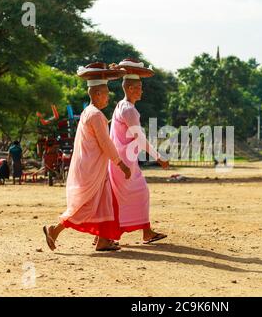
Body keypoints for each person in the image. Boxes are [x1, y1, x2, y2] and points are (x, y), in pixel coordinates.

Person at [43, 62, 131, 252]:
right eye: (106, 93)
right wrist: (121, 164)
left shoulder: (87, 112)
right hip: (93, 170)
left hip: (92, 168)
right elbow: (106, 144)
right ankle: (55, 230)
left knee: (104, 203)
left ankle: (103, 240)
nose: (108, 97)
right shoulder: (96, 116)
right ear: (97, 94)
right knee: (87, 206)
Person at [109, 58, 169, 244]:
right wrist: (158, 157)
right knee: (140, 193)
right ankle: (146, 233)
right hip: (124, 162)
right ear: (130, 89)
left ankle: (105, 235)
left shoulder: (121, 106)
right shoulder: (130, 111)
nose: (142, 91)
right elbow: (140, 139)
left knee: (119, 198)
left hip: (119, 160)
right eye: (139, 87)